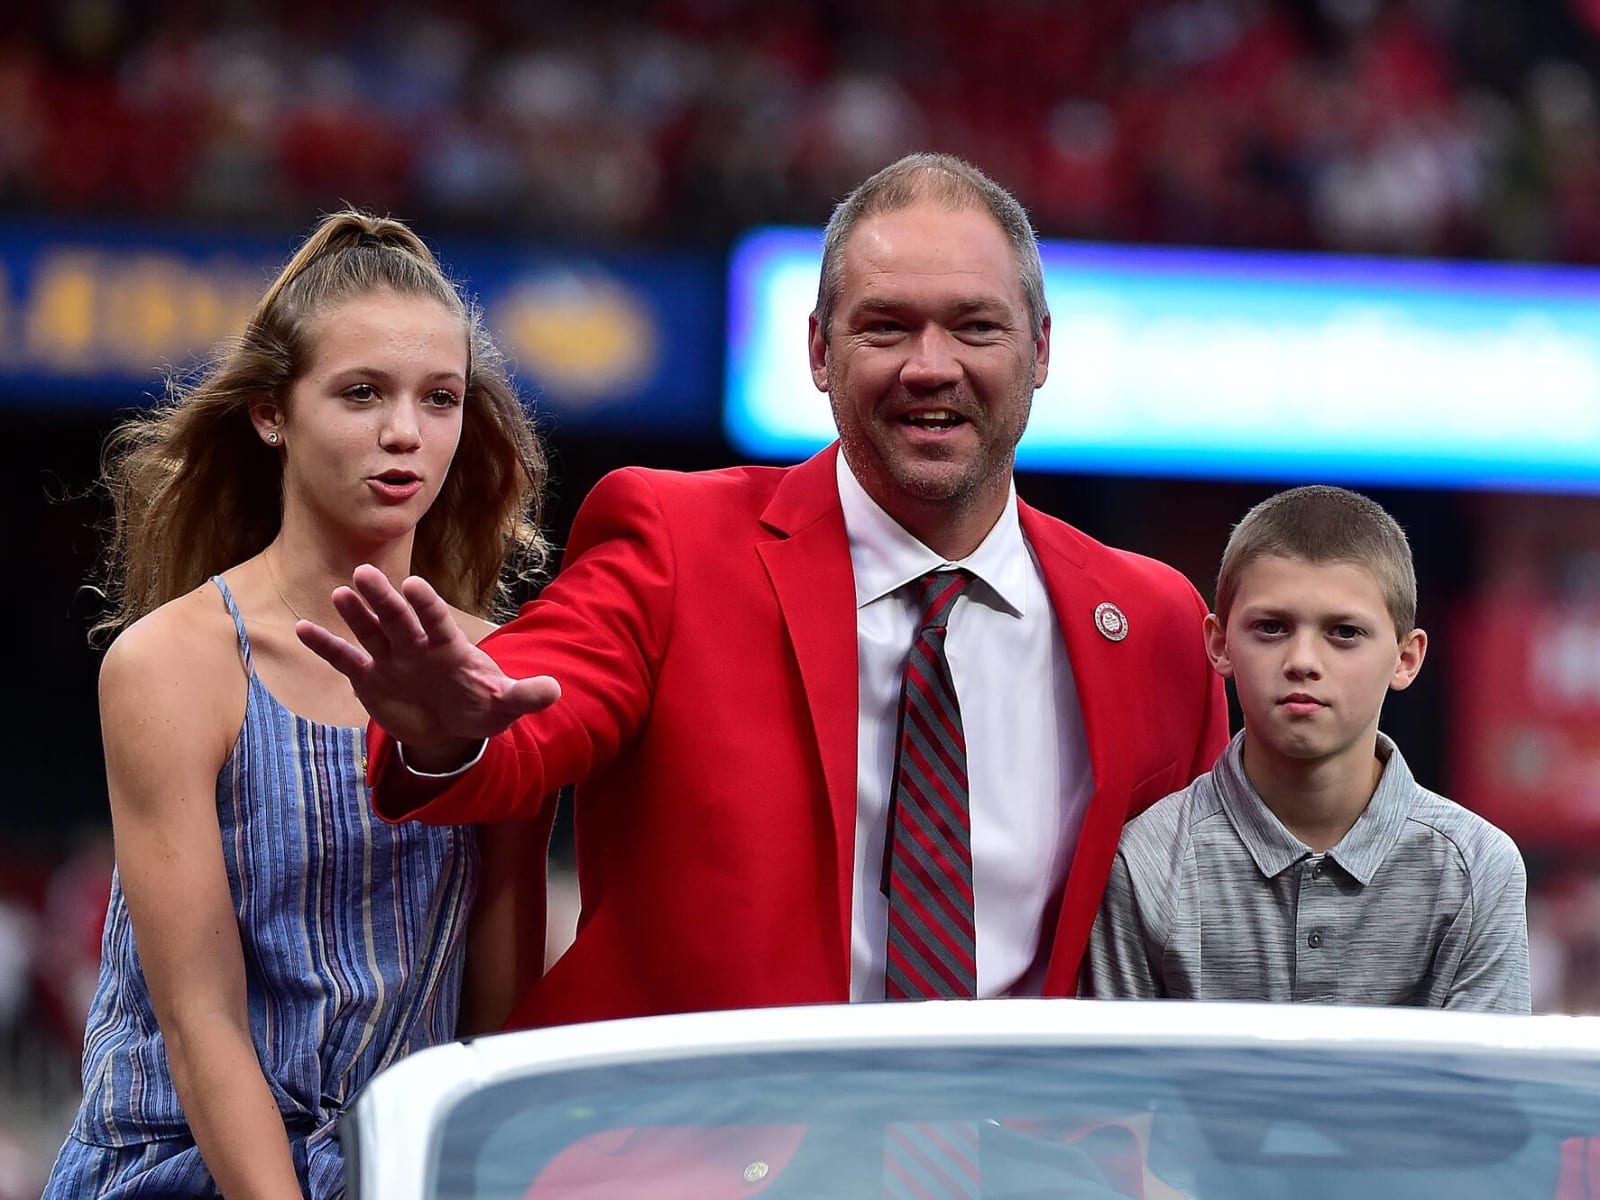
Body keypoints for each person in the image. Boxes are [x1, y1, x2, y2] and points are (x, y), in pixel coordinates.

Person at [300, 152, 1229, 1031]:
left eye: (975, 326)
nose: (931, 366)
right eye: (886, 326)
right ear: (820, 351)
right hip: (711, 1156)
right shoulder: (674, 540)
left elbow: (1210, 924)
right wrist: (447, 730)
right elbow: (528, 713)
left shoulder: (1154, 623)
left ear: (1040, 349)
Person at [42, 211, 551, 1199]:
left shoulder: (499, 673)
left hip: (402, 1172)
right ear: (272, 411)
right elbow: (201, 1024)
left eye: (438, 398)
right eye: (362, 393)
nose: (405, 432)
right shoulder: (171, 664)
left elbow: (498, 1017)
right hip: (173, 1173)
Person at [1082, 485, 1531, 1011]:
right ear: (1220, 644)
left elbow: (1478, 1093)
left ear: (1406, 659)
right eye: (1271, 627)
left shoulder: (1477, 869)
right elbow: (1125, 1087)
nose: (1302, 660)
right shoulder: (1146, 862)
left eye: (1343, 632)